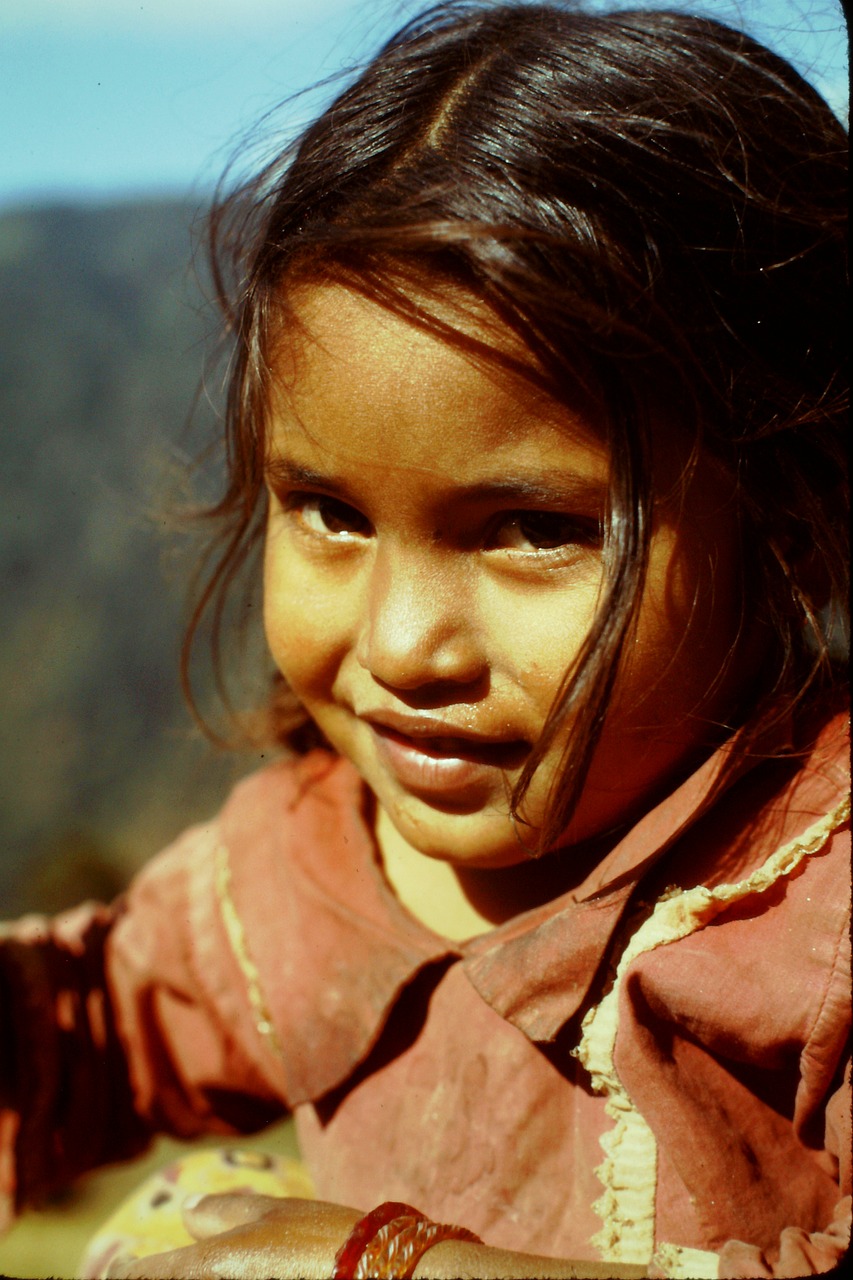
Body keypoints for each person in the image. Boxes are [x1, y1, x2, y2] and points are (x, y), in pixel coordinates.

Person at [1, 2, 848, 1276]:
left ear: (787, 522)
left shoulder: (815, 919)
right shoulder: (298, 868)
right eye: (329, 512)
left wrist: (400, 1264)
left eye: (529, 527)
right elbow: (82, 1033)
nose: (404, 645)